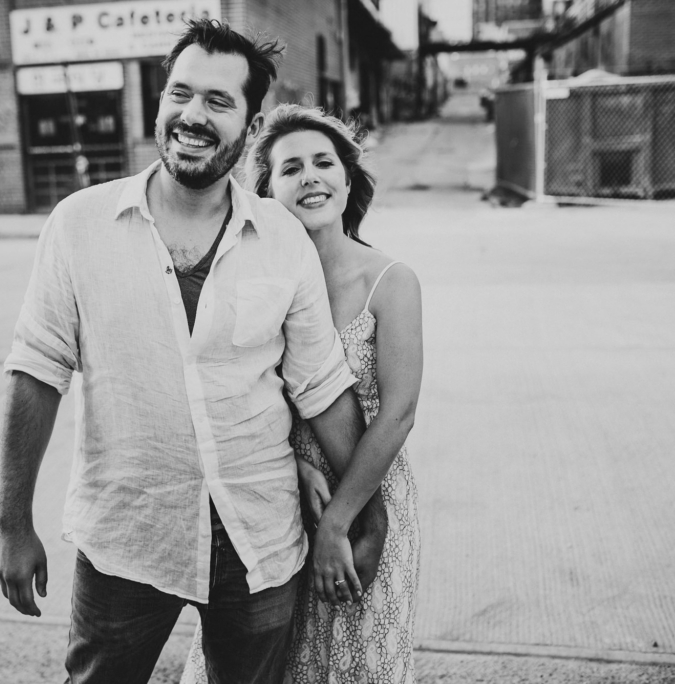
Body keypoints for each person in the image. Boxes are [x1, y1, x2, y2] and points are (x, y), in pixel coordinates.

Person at [0, 21, 387, 683]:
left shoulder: (282, 238)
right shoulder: (79, 224)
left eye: (217, 101)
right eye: (180, 93)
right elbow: (36, 369)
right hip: (126, 535)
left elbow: (321, 385)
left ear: (251, 125)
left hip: (259, 535)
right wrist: (12, 523)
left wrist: (368, 514)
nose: (192, 115)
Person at [182, 105, 423, 683]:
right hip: (273, 497)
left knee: (356, 664)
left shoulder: (390, 282)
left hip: (366, 495)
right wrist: (291, 464)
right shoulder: (253, 283)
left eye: (324, 163)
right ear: (267, 194)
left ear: (348, 180)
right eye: (291, 168)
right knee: (265, 662)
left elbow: (399, 414)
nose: (311, 176)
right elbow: (235, 394)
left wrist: (341, 523)